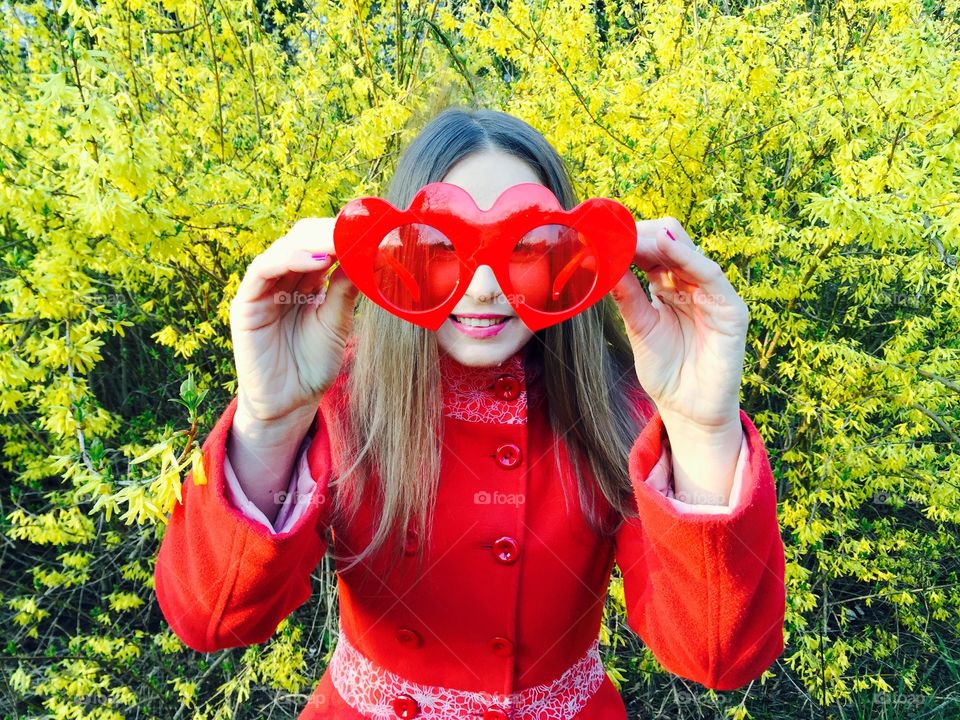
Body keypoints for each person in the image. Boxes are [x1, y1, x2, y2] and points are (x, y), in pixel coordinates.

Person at [153, 107, 786, 719]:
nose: (483, 286)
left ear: (572, 251)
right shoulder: (345, 395)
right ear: (392, 248)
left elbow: (717, 657)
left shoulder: (617, 406)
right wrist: (270, 419)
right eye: (440, 245)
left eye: (526, 245)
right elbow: (211, 618)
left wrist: (704, 428)